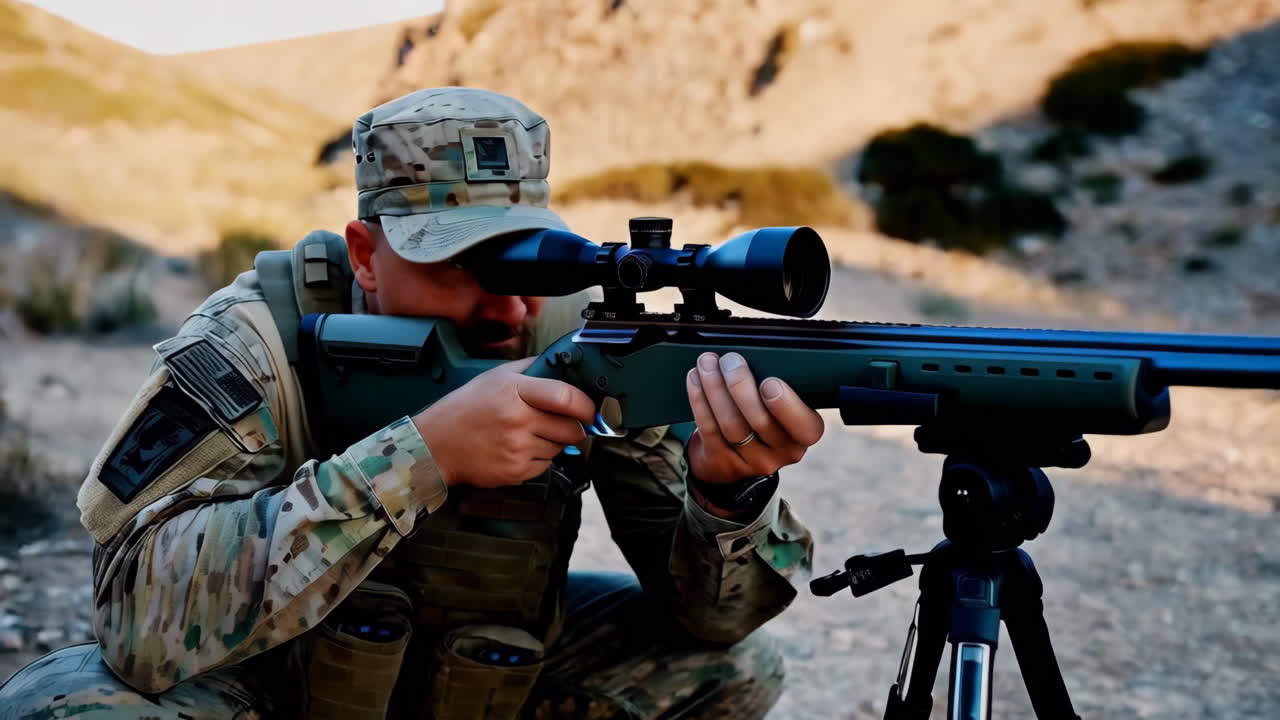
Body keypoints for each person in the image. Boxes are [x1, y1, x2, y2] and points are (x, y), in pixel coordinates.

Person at [0, 87, 824, 719]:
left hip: (490, 684)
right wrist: (418, 458)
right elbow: (137, 617)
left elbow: (716, 624)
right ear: (366, 253)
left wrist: (726, 498)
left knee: (733, 673)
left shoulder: (588, 338)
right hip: (280, 696)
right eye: (462, 268)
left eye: (528, 266)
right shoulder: (254, 341)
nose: (508, 311)